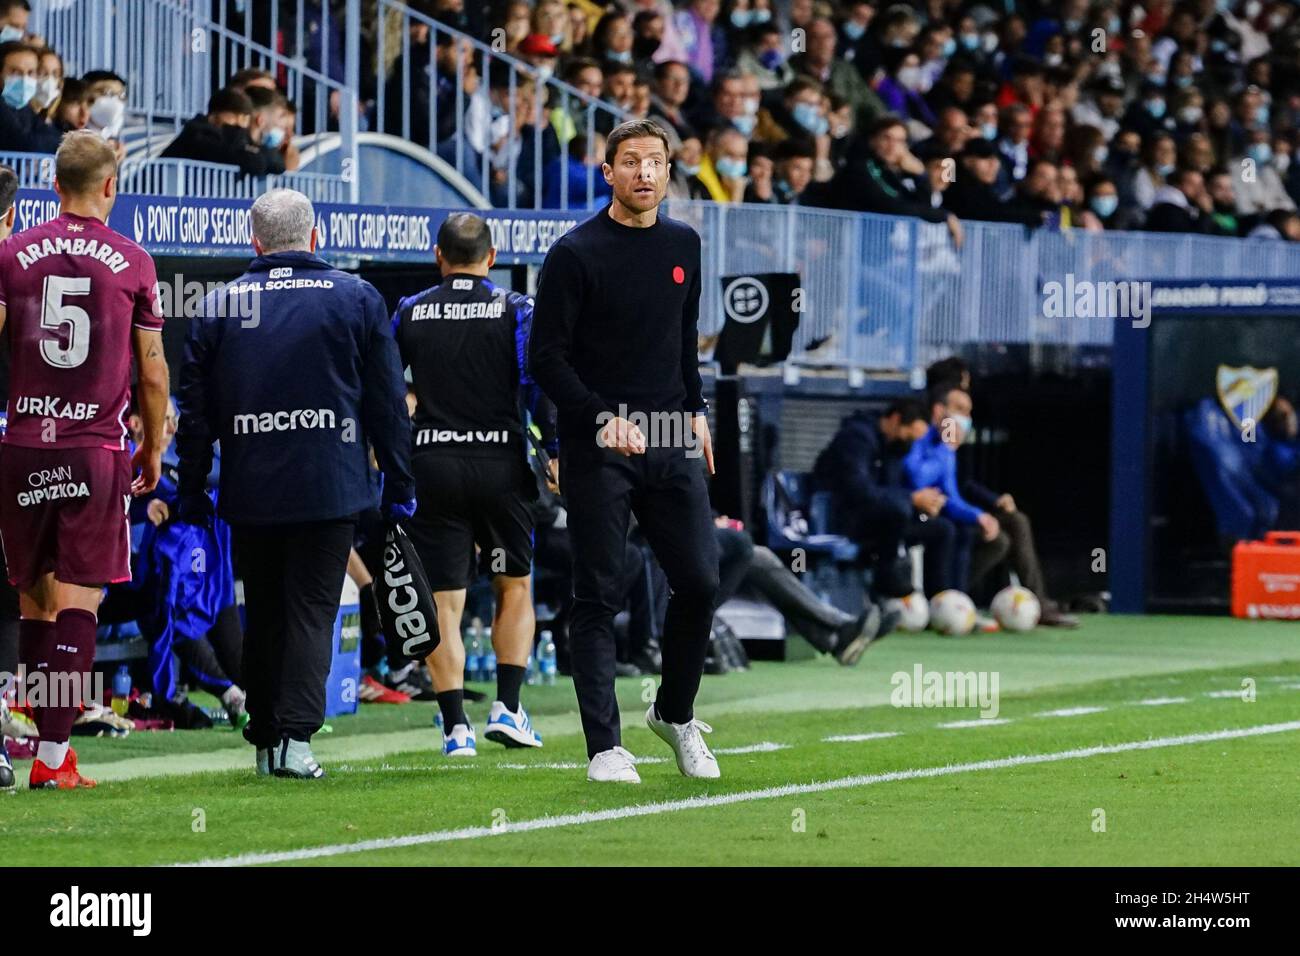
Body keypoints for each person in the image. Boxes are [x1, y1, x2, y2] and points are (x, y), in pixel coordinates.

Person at [175, 189, 414, 780]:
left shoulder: (220, 304)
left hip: (252, 485)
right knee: (312, 608)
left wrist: (193, 489)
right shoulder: (357, 297)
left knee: (265, 610)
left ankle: (264, 737)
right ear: (316, 236)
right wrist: (400, 483)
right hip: (329, 484)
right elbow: (388, 404)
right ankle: (296, 742)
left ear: (253, 241)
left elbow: (195, 412)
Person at [529, 118, 721, 784]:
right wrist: (599, 417)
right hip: (599, 442)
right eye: (631, 162)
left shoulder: (685, 244)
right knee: (598, 596)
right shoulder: (575, 253)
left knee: (700, 580)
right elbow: (545, 358)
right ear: (606, 171)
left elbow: (683, 339)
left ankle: (674, 713)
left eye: (656, 162)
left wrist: (695, 412)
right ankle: (605, 747)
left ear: (670, 172)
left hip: (671, 436)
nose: (645, 173)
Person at [0, 132, 169, 790]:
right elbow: (153, 376)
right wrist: (151, 448)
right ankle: (52, 759)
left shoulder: (12, 256)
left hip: (22, 447)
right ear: (109, 187)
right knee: (77, 604)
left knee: (34, 603)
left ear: (52, 184)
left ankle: (43, 753)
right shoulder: (132, 261)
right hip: (93, 450)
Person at [392, 212, 545, 757]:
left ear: (438, 256)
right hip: (501, 466)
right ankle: (507, 708)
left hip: (433, 465)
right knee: (514, 585)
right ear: (493, 256)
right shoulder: (516, 308)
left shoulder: (411, 310)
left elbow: (388, 387)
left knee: (444, 602)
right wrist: (548, 445)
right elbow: (538, 378)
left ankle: (457, 728)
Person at [903, 382, 1003, 595]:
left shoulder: (945, 448)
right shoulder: (919, 434)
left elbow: (951, 496)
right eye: (959, 410)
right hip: (905, 509)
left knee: (966, 530)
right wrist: (946, 449)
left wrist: (978, 516)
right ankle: (938, 600)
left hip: (932, 512)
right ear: (939, 411)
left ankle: (958, 600)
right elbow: (916, 478)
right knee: (945, 529)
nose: (965, 418)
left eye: (968, 412)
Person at [160, 87, 278, 176]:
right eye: (234, 120)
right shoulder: (197, 134)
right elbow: (253, 163)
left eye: (243, 121)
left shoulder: (236, 138)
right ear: (213, 117)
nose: (239, 127)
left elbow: (277, 163)